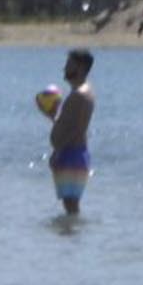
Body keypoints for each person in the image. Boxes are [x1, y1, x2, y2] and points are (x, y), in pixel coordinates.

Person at [49, 48, 95, 217]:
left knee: (71, 207)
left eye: (69, 65)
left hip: (71, 154)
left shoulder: (79, 96)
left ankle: (72, 238)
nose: (64, 69)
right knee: (70, 208)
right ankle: (73, 240)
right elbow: (70, 126)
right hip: (73, 153)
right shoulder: (84, 92)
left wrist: (57, 152)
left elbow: (73, 130)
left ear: (81, 68)